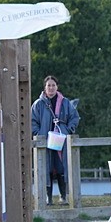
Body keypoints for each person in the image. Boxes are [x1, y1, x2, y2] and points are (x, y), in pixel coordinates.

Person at [30, 75, 80, 205]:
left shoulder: (65, 102)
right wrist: (37, 133)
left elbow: (75, 117)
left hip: (61, 139)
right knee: (46, 167)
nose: (51, 88)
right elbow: (32, 121)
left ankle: (63, 196)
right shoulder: (38, 104)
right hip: (45, 140)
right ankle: (48, 197)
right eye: (48, 85)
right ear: (45, 88)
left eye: (53, 85)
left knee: (61, 167)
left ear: (57, 87)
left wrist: (69, 129)